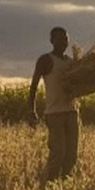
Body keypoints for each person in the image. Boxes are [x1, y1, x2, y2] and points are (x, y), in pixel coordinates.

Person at [27, 26, 80, 181]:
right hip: (54, 114)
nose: (63, 42)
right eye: (59, 39)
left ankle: (63, 185)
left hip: (72, 112)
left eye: (66, 39)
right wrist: (31, 110)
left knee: (71, 155)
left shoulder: (71, 62)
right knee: (58, 153)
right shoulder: (45, 60)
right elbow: (34, 85)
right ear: (51, 41)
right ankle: (48, 184)